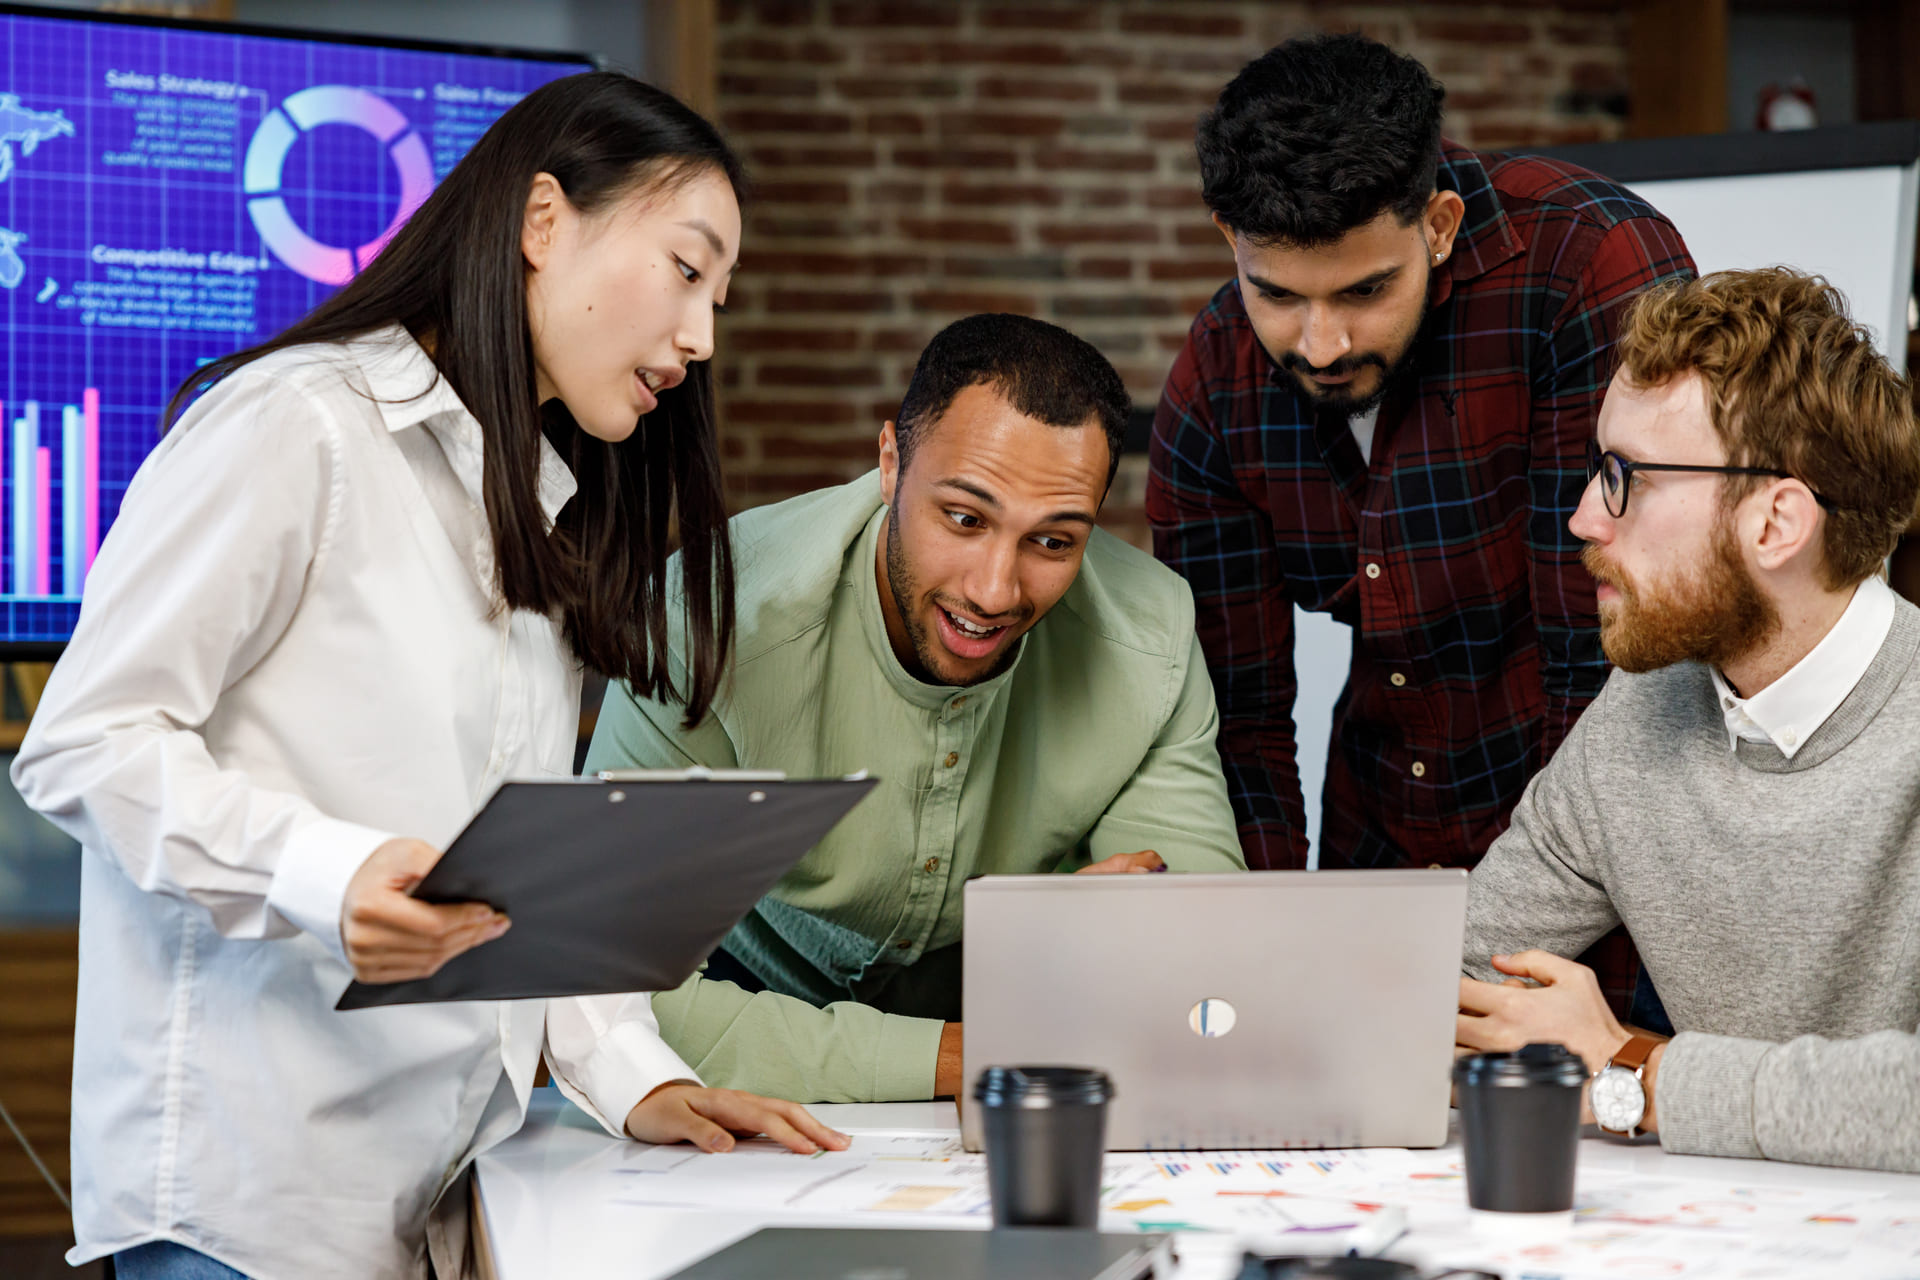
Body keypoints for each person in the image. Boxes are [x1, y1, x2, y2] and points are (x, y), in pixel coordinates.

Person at [11, 74, 846, 1280]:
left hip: (442, 1191)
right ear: (544, 221)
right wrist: (324, 872)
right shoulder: (295, 427)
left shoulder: (539, 501)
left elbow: (516, 884)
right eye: (686, 268)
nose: (703, 334)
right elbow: (84, 741)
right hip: (253, 1207)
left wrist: (642, 1079)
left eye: (721, 295)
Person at [1146, 34, 1695, 1015]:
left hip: (1604, 862)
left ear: (1439, 225)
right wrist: (1265, 975)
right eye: (1277, 293)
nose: (1320, 344)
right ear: (1227, 233)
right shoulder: (1213, 385)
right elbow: (1243, 724)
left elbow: (1613, 670)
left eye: (1364, 292)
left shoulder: (1586, 264)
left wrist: (1487, 955)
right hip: (1382, 845)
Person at [587, 314, 1247, 1103]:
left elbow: (1197, 966)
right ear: (891, 465)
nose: (995, 590)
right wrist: (958, 1057)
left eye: (1054, 542)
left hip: (1007, 1031)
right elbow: (610, 992)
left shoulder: (1152, 637)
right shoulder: (708, 618)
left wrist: (1109, 949)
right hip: (749, 1026)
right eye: (964, 520)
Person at [1455, 268, 1920, 1172]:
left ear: (1777, 522)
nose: (1585, 517)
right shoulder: (1643, 709)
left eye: (1626, 477)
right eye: (1598, 469)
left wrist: (1639, 1071)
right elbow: (1471, 976)